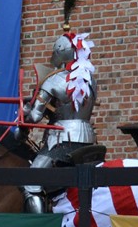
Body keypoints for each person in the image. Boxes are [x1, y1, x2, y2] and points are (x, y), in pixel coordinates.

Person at [20, 32, 98, 213]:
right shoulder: (90, 79)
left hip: (62, 140)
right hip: (88, 138)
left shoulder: (53, 80)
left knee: (31, 183)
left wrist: (24, 111)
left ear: (60, 52)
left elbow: (35, 117)